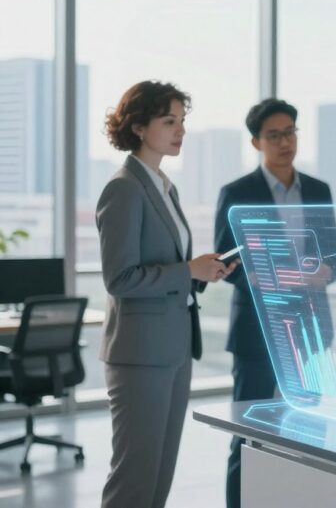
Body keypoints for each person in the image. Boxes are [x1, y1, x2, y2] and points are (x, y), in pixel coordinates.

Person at [96, 81, 234, 508]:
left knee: (159, 478)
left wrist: (199, 274)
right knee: (134, 479)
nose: (180, 131)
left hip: (173, 350)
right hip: (140, 356)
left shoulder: (162, 186)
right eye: (168, 121)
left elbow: (170, 267)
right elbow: (120, 279)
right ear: (138, 127)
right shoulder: (124, 188)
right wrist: (185, 270)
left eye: (182, 121)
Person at [214, 98, 336, 508]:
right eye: (274, 135)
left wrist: (325, 271)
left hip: (308, 329)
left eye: (290, 132)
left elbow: (335, 257)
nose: (285, 142)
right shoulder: (237, 193)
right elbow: (225, 263)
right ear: (256, 142)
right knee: (246, 433)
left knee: (308, 430)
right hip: (257, 330)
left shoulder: (318, 190)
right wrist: (263, 277)